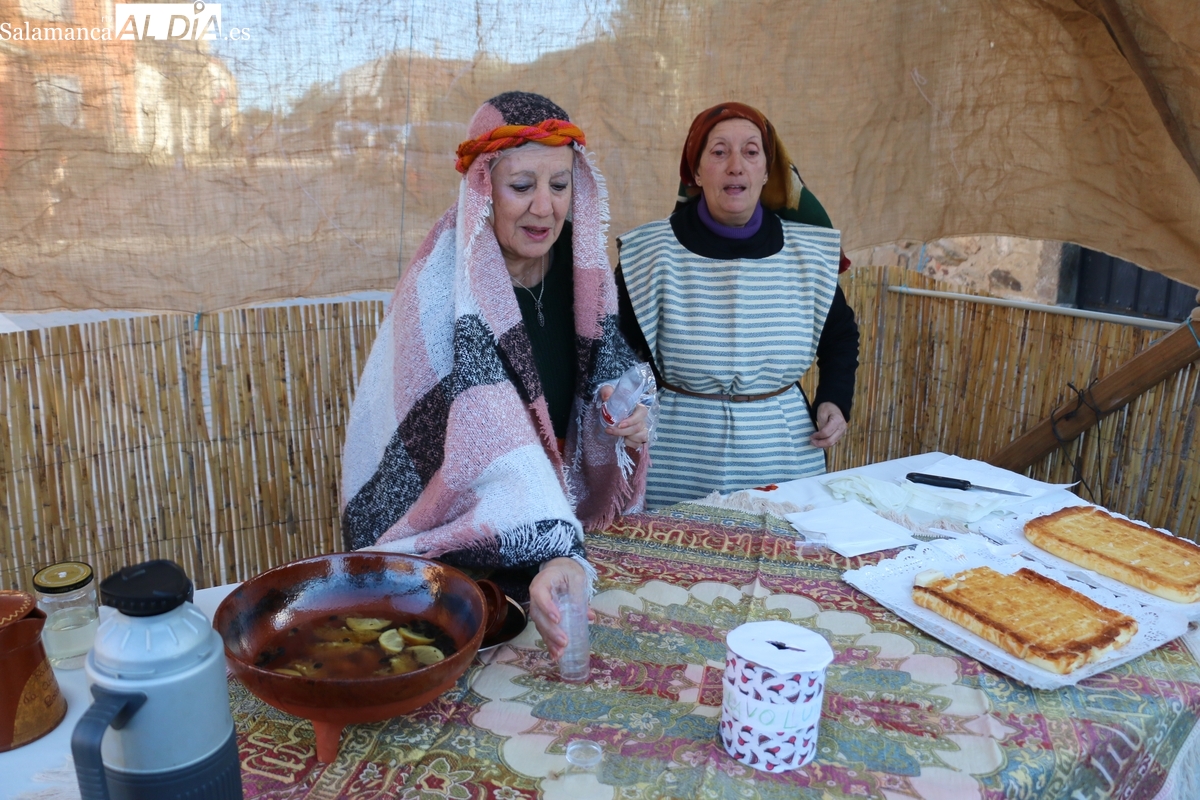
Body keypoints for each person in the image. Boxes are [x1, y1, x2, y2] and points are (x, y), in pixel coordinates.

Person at [341, 92, 650, 659]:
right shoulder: (442, 284)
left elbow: (608, 363)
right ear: (483, 186)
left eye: (560, 185)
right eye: (522, 185)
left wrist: (623, 410)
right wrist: (555, 547)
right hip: (459, 546)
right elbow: (484, 437)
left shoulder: (581, 267)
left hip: (561, 529)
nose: (544, 207)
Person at [616, 101, 859, 509]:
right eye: (719, 152)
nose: (736, 166)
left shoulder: (809, 253)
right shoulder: (648, 253)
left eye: (750, 152)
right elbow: (618, 350)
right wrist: (631, 409)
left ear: (766, 171)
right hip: (677, 457)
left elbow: (841, 337)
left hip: (783, 453)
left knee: (783, 546)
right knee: (678, 548)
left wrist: (834, 399)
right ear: (695, 172)